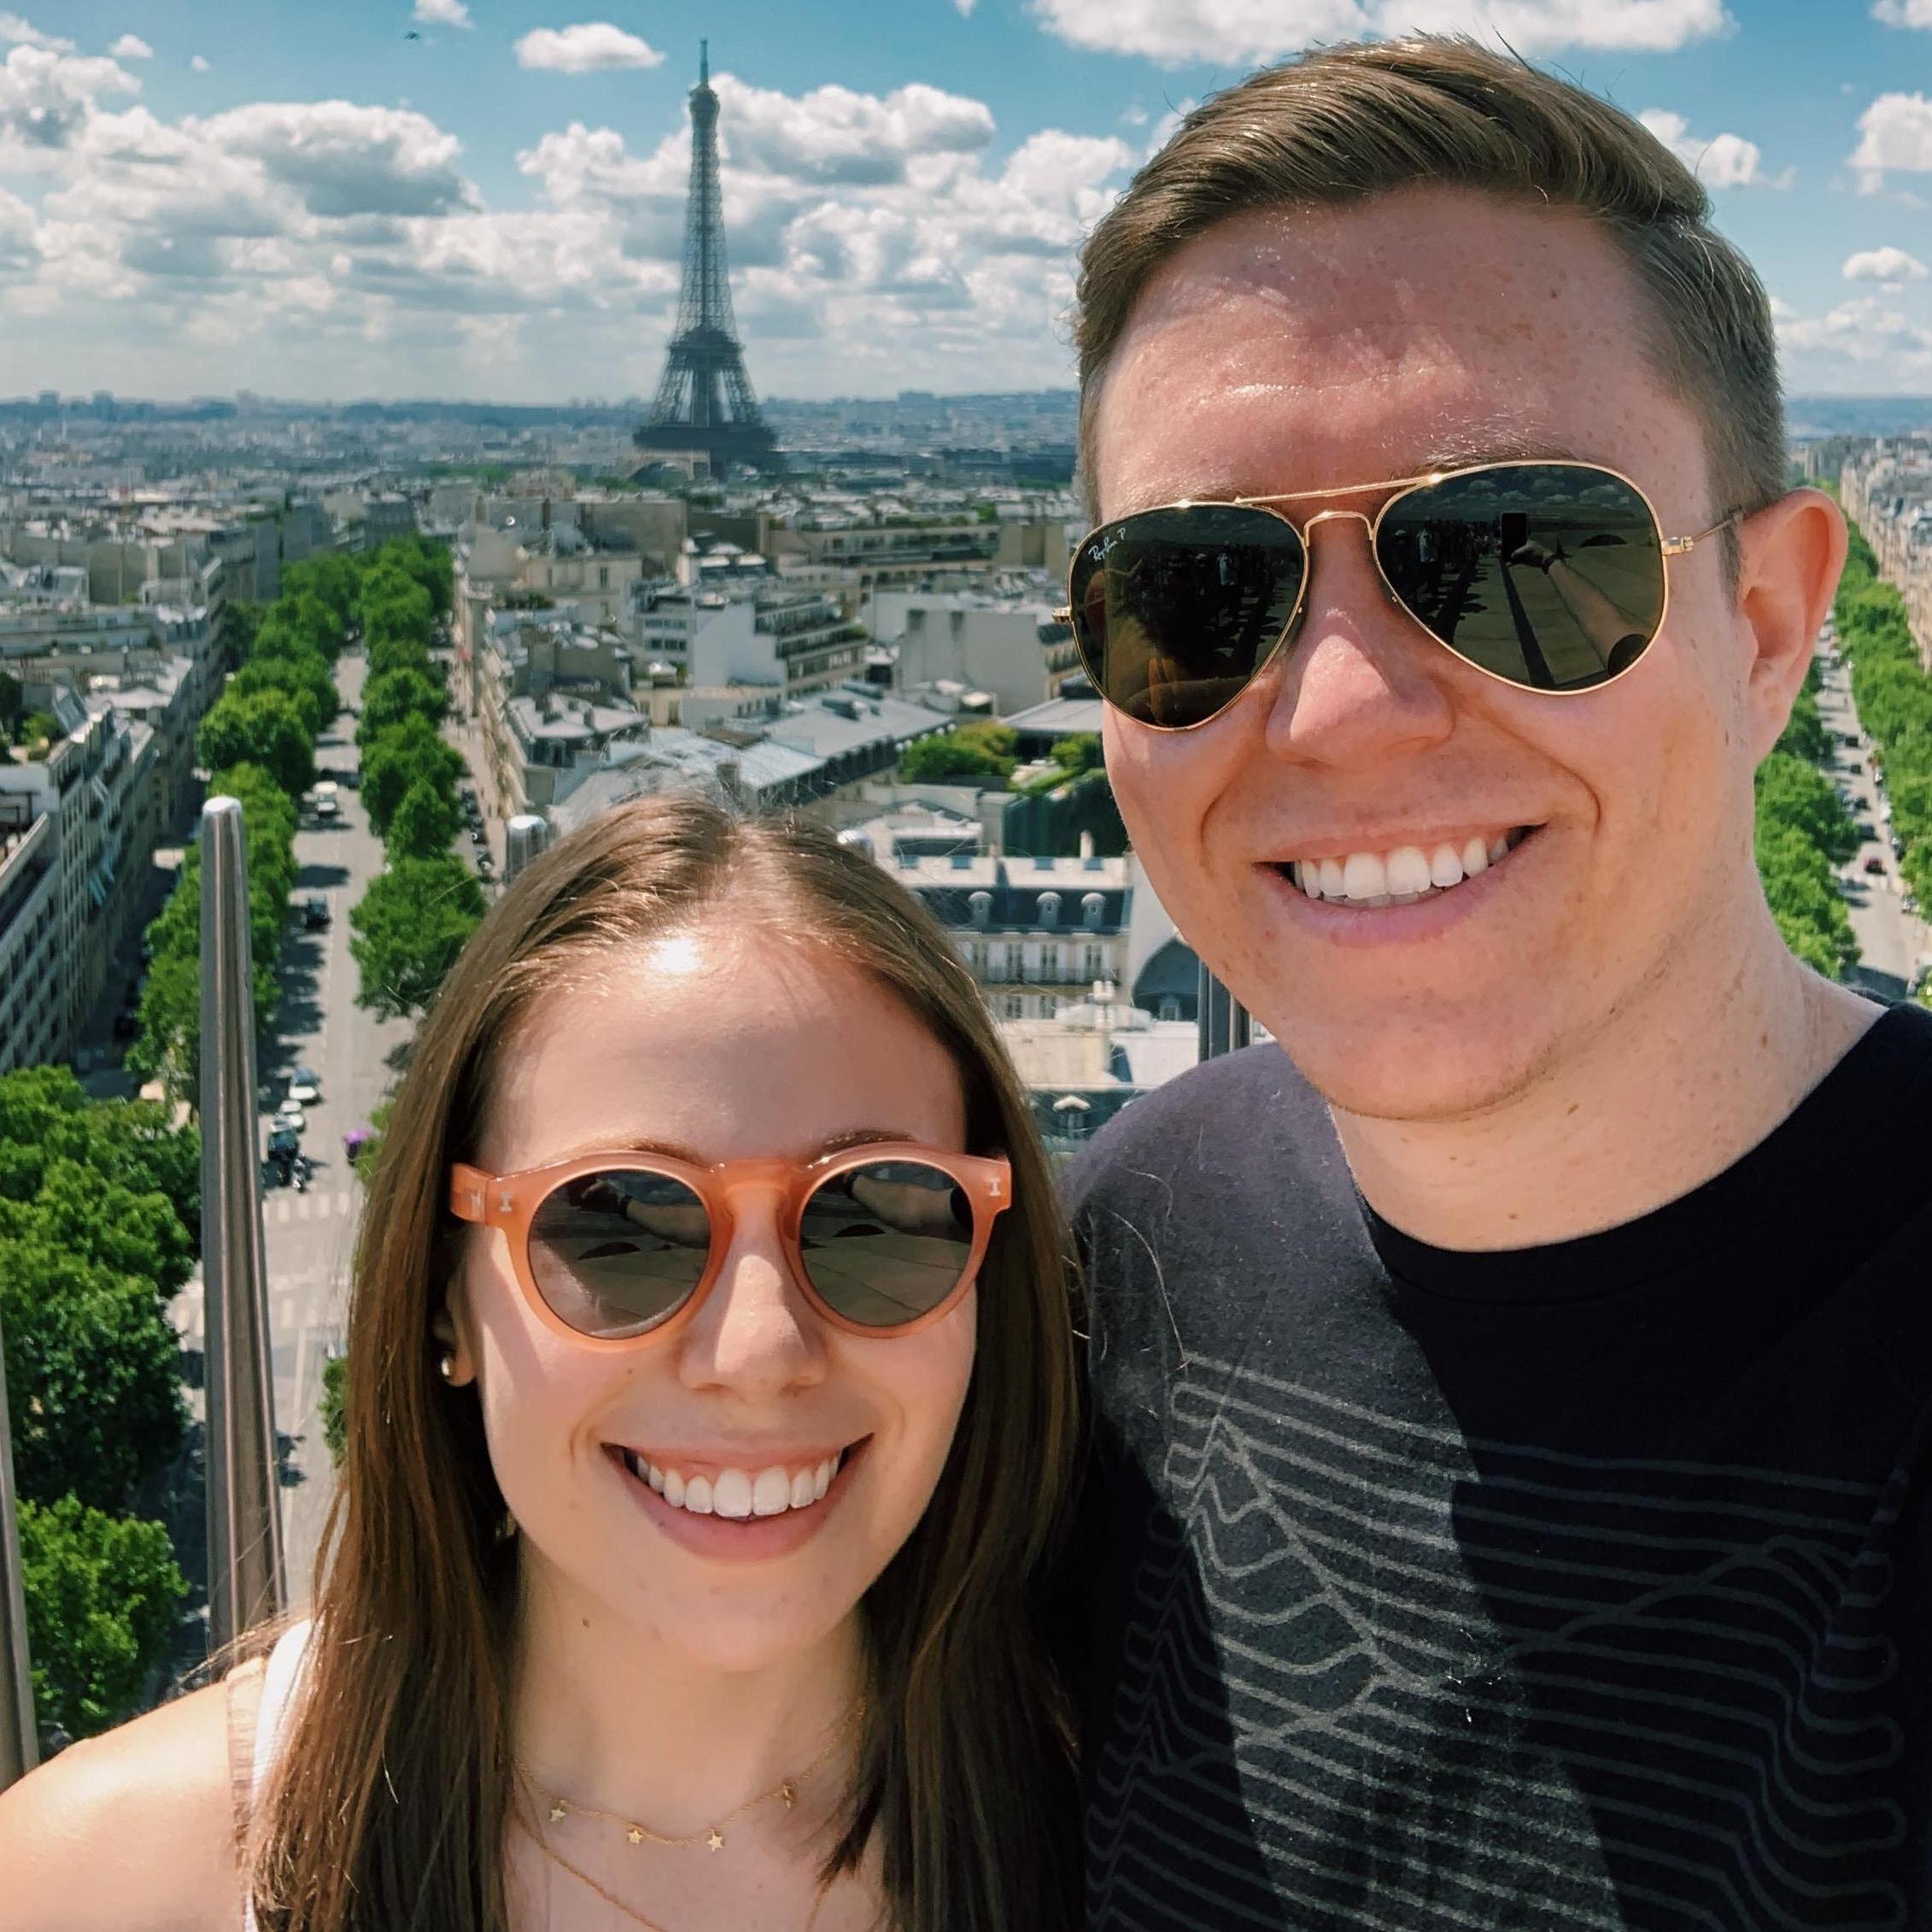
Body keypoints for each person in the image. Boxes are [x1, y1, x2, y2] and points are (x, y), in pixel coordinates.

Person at [1059, 35, 1932, 1931]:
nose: (1348, 712)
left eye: (1520, 557)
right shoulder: (1120, 1247)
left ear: (1768, 623)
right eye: (1197, 593)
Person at [0, 794, 1080, 1932]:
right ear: (443, 1301)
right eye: (618, 1228)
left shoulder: (1171, 1834)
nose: (758, 1349)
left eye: (874, 1222)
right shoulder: (90, 1884)